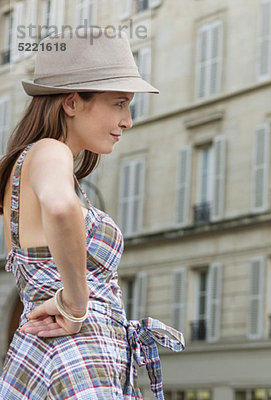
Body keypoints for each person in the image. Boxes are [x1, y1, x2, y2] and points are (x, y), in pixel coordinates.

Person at [0, 27, 184, 399]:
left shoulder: (34, 162)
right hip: (76, 351)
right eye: (119, 103)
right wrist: (76, 302)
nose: (127, 120)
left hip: (62, 350)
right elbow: (61, 207)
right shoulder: (51, 151)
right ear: (71, 102)